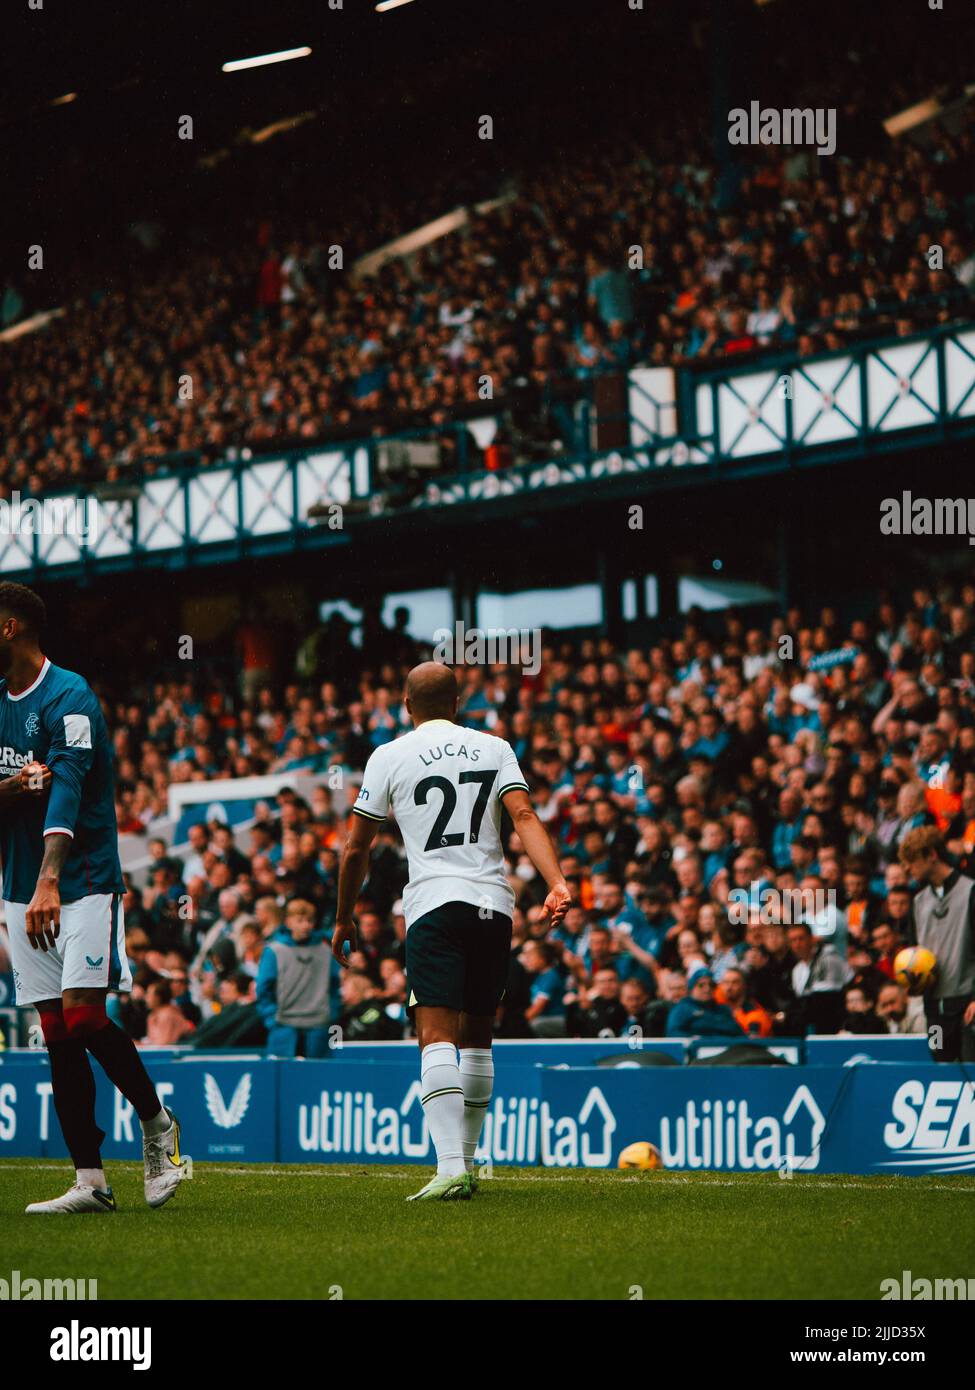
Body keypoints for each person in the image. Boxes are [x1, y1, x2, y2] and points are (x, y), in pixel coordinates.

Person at [332, 661, 570, 1202]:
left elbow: (355, 848)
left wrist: (344, 916)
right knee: (479, 1040)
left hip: (435, 904)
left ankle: (449, 1167)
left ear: (406, 704)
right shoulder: (495, 747)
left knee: (435, 1035)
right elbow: (526, 816)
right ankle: (468, 1161)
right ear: (458, 704)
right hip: (494, 905)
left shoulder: (387, 756)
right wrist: (556, 882)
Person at [0, 582, 184, 1214]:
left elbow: (69, 789)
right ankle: (91, 1181)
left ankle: (158, 1122)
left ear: (11, 629)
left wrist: (50, 879)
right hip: (17, 886)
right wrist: (16, 785)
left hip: (82, 881)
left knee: (81, 1015)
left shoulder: (70, 696)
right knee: (53, 1030)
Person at [899, 826, 975, 1062]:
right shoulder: (918, 902)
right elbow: (913, 951)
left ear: (931, 855)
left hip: (967, 1007)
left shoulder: (970, 892)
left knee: (971, 1074)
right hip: (933, 1011)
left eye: (912, 861)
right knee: (940, 1069)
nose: (907, 868)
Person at [256, 898, 333, 1058]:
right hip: (283, 1028)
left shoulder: (326, 951)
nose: (306, 925)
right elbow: (263, 989)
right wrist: (272, 1019)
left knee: (317, 1078)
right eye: (300, 920)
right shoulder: (273, 951)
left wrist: (331, 1015)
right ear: (288, 922)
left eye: (310, 921)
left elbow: (335, 986)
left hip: (318, 1027)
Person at [665, 965, 744, 1038]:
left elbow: (739, 1034)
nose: (707, 989)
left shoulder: (723, 1010)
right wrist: (696, 1039)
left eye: (711, 985)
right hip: (697, 1050)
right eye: (701, 985)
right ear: (692, 988)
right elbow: (673, 1033)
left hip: (729, 1050)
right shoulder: (682, 1008)